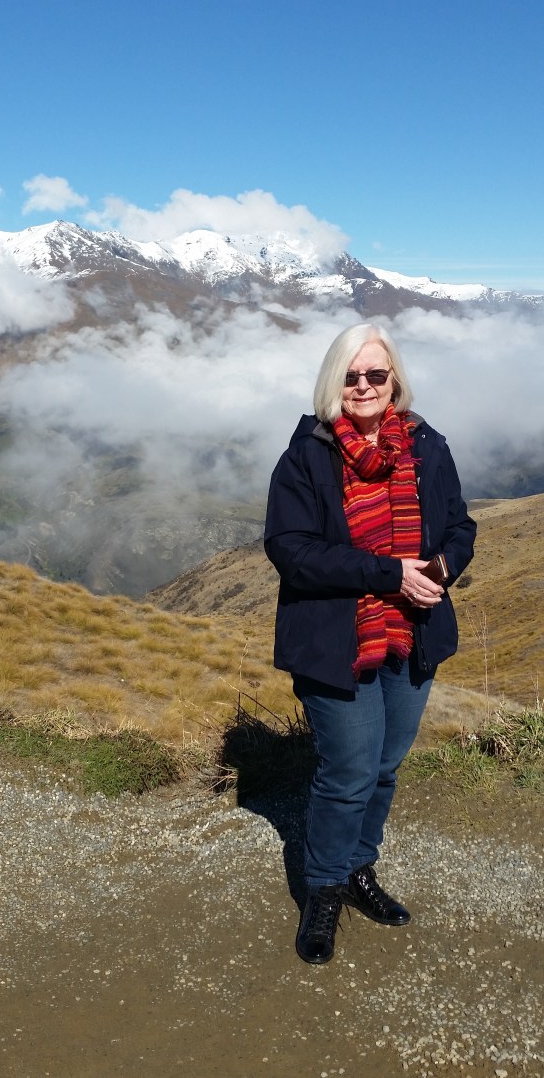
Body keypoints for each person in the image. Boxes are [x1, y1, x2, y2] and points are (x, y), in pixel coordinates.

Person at [264, 323, 476, 965]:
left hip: (415, 632)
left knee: (383, 767)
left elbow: (461, 526)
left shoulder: (427, 446)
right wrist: (390, 574)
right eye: (351, 376)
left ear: (395, 381)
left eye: (375, 375)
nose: (363, 386)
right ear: (335, 381)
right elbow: (291, 552)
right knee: (348, 773)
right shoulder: (308, 454)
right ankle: (324, 890)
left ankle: (359, 868)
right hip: (338, 639)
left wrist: (440, 571)